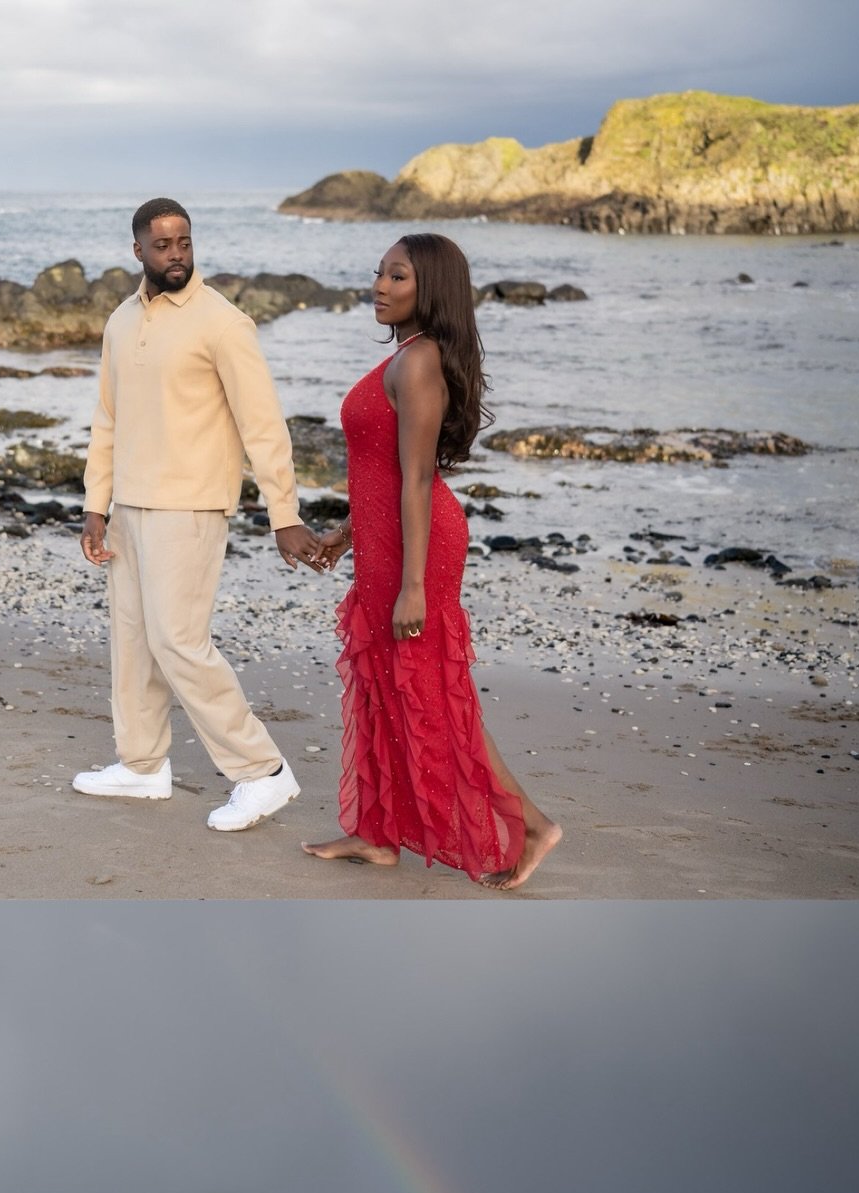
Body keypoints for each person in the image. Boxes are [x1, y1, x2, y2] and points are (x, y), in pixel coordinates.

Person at [302, 233, 562, 889]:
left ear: (430, 291)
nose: (380, 287)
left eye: (397, 277)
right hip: (388, 539)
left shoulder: (417, 364)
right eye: (379, 274)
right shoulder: (406, 358)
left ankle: (530, 824)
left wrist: (412, 586)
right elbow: (381, 473)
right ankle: (379, 834)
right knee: (387, 682)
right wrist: (347, 533)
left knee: (430, 695)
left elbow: (417, 479)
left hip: (418, 547)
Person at [72, 198, 323, 832]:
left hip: (191, 505)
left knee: (178, 642)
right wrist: (95, 506)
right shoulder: (121, 322)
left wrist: (282, 512)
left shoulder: (223, 323)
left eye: (184, 242)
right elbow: (107, 419)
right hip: (128, 504)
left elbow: (263, 426)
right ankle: (142, 764)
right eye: (163, 245)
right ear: (138, 252)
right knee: (131, 640)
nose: (177, 254)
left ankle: (260, 772)